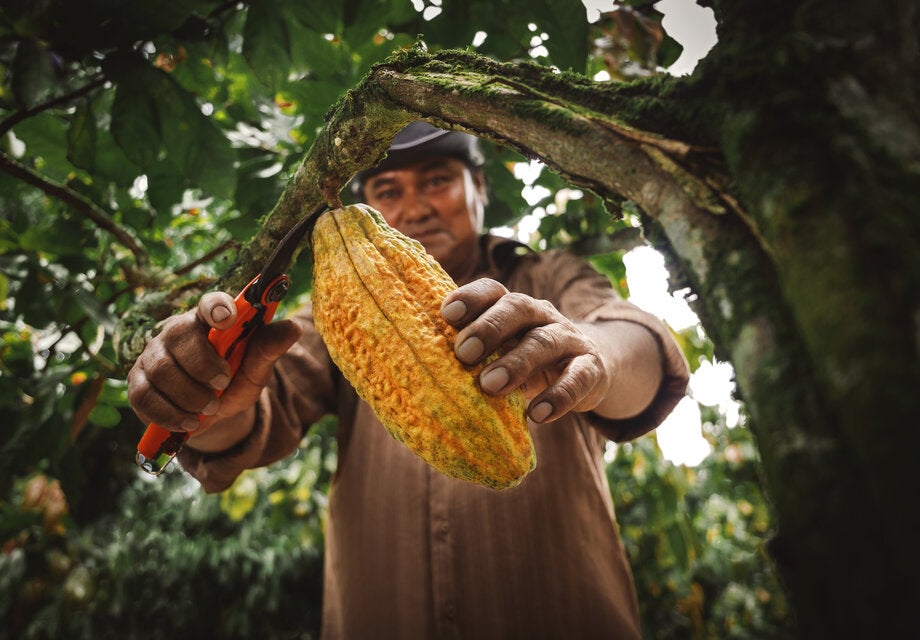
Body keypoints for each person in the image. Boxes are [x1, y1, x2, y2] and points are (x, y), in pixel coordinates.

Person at [127, 122, 690, 639]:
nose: (414, 207)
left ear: (479, 187)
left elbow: (634, 343)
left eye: (437, 180)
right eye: (388, 191)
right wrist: (199, 401)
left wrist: (596, 354)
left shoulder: (548, 276)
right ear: (367, 203)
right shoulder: (336, 310)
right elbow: (252, 412)